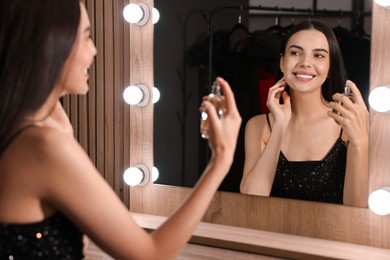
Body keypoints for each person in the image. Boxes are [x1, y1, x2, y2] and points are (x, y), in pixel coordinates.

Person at [0, 1, 241, 259]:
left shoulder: (25, 130)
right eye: (86, 37)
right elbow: (151, 255)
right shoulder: (44, 146)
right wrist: (221, 159)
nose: (93, 51)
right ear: (51, 44)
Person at [240, 21, 369, 207]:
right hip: (271, 235)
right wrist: (279, 127)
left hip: (332, 235)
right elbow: (251, 200)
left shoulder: (349, 124)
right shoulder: (258, 126)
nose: (305, 62)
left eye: (318, 55)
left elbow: (356, 208)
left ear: (330, 68)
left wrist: (360, 142)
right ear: (282, 63)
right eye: (295, 53)